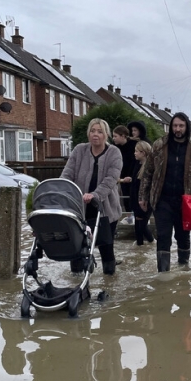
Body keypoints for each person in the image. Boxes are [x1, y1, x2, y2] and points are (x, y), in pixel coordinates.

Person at [139, 112, 191, 272]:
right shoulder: (159, 145)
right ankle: (163, 276)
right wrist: (143, 196)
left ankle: (183, 269)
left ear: (186, 127)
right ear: (171, 127)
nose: (177, 129)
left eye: (181, 126)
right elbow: (148, 172)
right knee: (163, 237)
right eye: (175, 126)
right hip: (162, 199)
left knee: (183, 236)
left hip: (185, 201)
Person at [61, 118, 123, 276]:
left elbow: (111, 179)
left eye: (100, 131)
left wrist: (95, 195)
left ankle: (109, 280)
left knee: (106, 247)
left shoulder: (114, 152)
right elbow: (68, 173)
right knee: (76, 246)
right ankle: (76, 280)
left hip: (105, 209)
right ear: (88, 133)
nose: (95, 134)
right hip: (80, 207)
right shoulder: (79, 150)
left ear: (106, 135)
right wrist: (63, 189)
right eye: (92, 131)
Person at [131, 141, 155, 247]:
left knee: (141, 226)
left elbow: (148, 187)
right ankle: (140, 247)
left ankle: (151, 243)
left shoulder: (148, 168)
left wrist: (144, 201)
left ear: (143, 153)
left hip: (144, 201)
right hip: (137, 200)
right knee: (138, 226)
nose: (134, 153)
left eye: (136, 151)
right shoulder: (138, 164)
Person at [112, 125, 136, 217]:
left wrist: (132, 176)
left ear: (123, 136)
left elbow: (136, 163)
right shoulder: (114, 148)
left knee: (132, 197)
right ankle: (129, 217)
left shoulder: (134, 145)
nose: (113, 138)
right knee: (125, 199)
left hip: (132, 177)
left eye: (115, 136)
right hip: (120, 178)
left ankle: (135, 217)